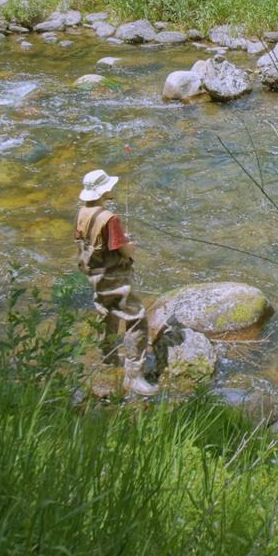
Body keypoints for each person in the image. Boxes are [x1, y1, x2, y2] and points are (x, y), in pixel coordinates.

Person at [75, 169, 156, 396]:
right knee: (136, 318)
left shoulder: (82, 212)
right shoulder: (110, 219)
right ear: (104, 191)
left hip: (95, 274)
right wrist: (130, 246)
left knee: (106, 311)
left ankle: (108, 357)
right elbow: (125, 250)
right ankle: (134, 375)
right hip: (113, 276)